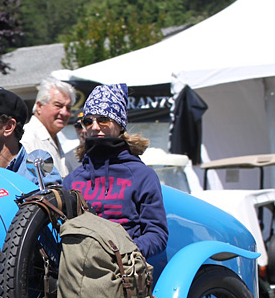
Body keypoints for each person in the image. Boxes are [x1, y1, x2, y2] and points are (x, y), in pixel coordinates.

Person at [62, 83, 168, 258]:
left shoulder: (142, 176)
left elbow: (157, 234)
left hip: (123, 274)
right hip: (78, 275)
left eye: (103, 119)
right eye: (88, 121)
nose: (95, 127)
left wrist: (122, 254)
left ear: (119, 124)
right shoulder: (72, 180)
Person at [21, 77, 79, 176]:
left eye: (68, 108)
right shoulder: (27, 138)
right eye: (58, 105)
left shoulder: (53, 136)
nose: (64, 112)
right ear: (39, 106)